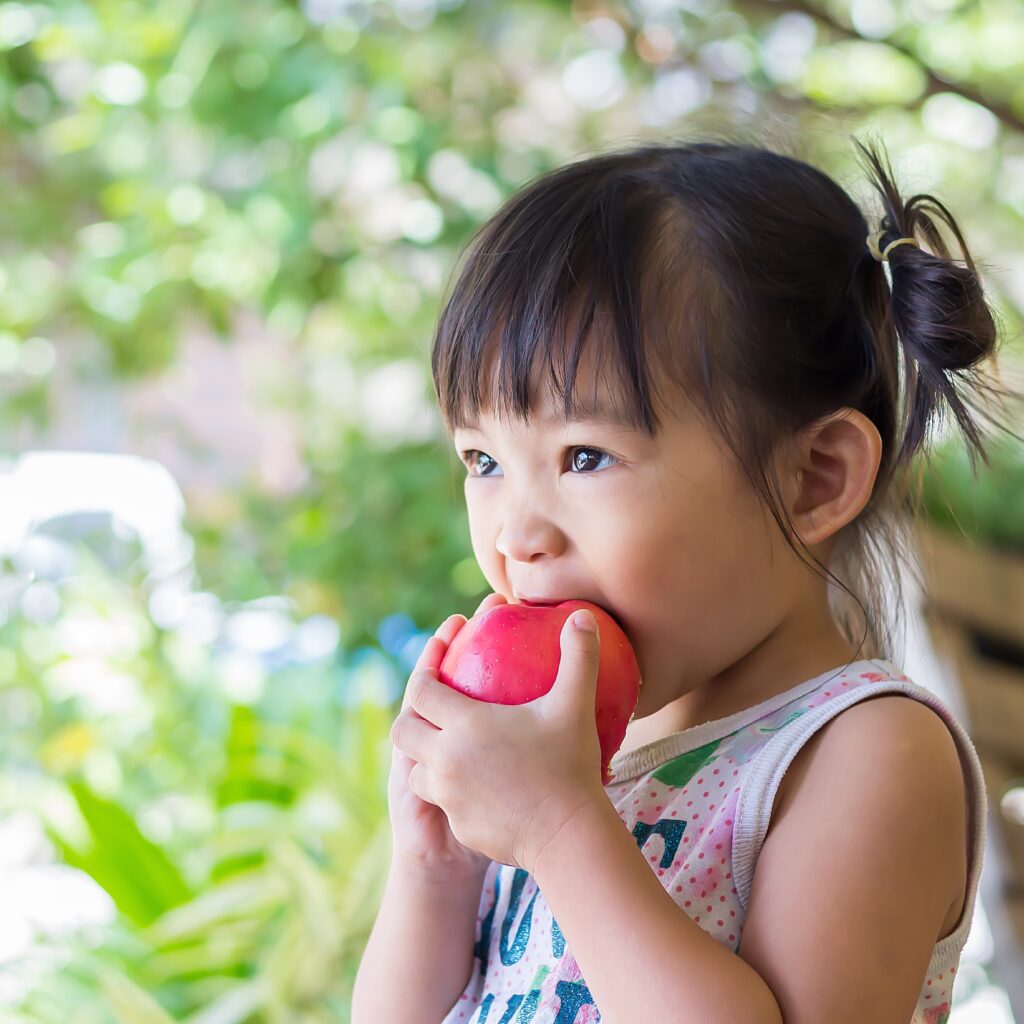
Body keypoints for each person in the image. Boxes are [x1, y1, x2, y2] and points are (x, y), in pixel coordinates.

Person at [351, 134, 1021, 1024]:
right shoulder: (580, 745)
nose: (516, 532)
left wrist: (560, 830)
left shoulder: (863, 753)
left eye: (584, 456)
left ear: (814, 476)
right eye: (482, 459)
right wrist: (436, 865)